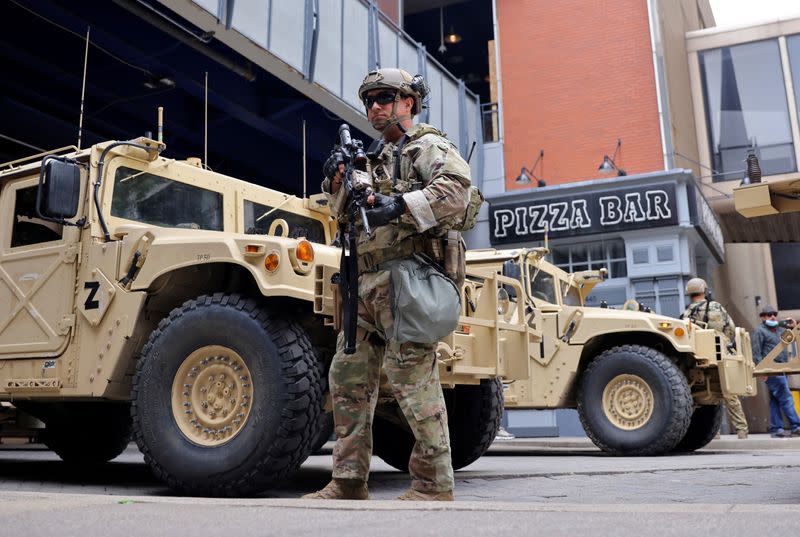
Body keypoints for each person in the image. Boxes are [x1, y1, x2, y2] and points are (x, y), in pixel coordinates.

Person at [302, 68, 471, 501]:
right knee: (347, 375)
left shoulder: (426, 146)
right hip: (366, 280)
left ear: (408, 102)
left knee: (412, 376)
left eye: (385, 97)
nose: (375, 106)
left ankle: (434, 485)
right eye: (369, 99)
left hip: (409, 277)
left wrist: (398, 205)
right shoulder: (372, 161)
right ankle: (348, 479)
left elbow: (456, 191)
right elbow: (342, 213)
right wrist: (336, 181)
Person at [680, 278, 748, 439]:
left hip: (698, 358)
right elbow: (730, 328)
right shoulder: (716, 307)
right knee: (729, 393)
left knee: (703, 395)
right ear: (704, 290)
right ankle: (742, 431)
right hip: (720, 354)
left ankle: (713, 433)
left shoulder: (686, 313)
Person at [751, 304, 800, 438]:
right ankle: (796, 426)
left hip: (781, 369)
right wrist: (763, 371)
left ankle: (776, 428)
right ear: (762, 317)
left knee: (776, 399)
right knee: (785, 397)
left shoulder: (779, 329)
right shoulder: (759, 331)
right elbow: (756, 353)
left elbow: (793, 339)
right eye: (769, 314)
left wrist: (794, 326)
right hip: (771, 370)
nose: (772, 316)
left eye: (774, 314)